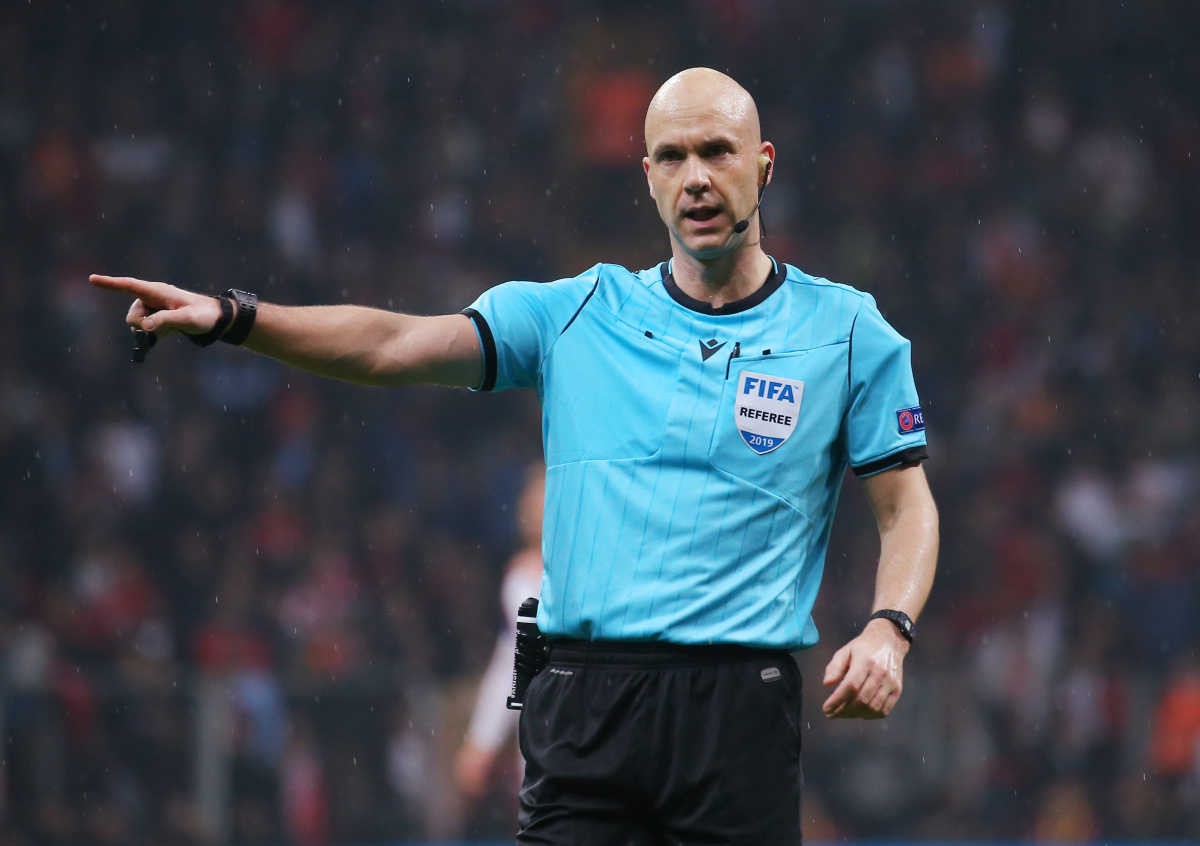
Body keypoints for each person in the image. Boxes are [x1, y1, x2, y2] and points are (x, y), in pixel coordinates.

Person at [92, 67, 938, 844]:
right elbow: (392, 345)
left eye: (717, 151)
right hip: (582, 705)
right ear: (647, 176)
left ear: (763, 164)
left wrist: (888, 630)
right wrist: (235, 317)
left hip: (737, 710)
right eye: (673, 157)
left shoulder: (847, 332)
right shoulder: (577, 312)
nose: (697, 178)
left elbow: (906, 508)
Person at [455, 464, 544, 801]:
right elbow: (514, 663)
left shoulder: (593, 570)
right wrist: (482, 740)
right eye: (535, 504)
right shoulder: (521, 578)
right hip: (544, 733)